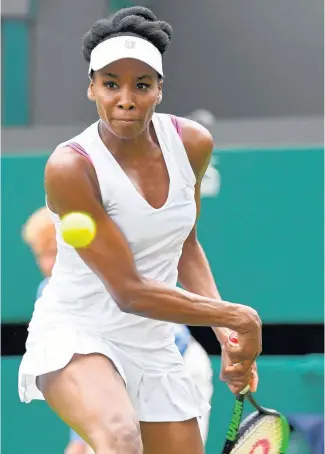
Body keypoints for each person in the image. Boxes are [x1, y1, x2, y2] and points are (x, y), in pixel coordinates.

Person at [18, 7, 261, 454]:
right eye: (111, 84)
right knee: (121, 439)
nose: (125, 98)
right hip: (78, 333)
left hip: (154, 342)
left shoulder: (191, 144)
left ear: (159, 90)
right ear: (92, 88)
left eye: (142, 85)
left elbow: (184, 245)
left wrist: (225, 335)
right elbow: (128, 291)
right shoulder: (71, 166)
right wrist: (236, 318)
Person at [22, 208, 214, 453]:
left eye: (53, 252)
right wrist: (79, 439)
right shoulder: (49, 293)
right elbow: (75, 360)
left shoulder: (116, 278)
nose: (48, 264)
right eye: (41, 255)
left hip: (177, 367)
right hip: (121, 380)